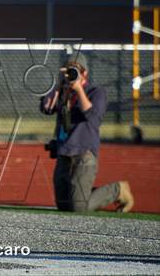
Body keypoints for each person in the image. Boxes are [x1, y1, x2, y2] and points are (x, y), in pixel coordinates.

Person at [40, 52, 134, 212]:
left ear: (85, 73)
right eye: (68, 70)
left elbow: (92, 117)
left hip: (84, 154)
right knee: (64, 206)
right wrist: (58, 87)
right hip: (64, 154)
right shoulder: (62, 91)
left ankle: (118, 190)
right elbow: (46, 108)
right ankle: (81, 194)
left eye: (75, 70)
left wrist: (78, 90)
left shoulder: (96, 92)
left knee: (78, 208)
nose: (71, 74)